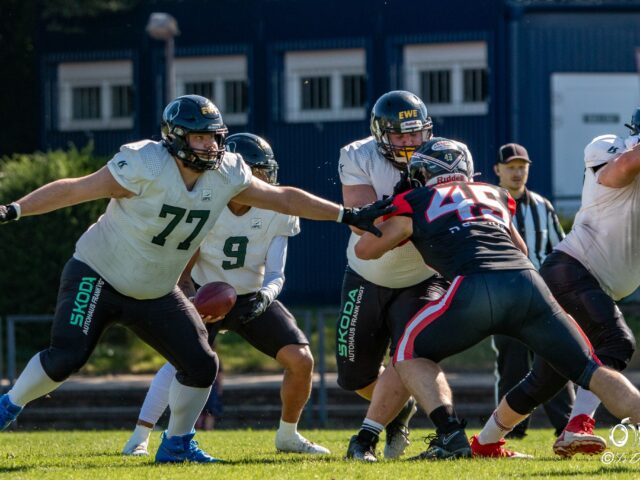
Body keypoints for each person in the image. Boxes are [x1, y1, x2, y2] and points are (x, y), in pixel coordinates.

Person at [0, 95, 392, 463]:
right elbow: (75, 189)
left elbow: (284, 198)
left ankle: (176, 444)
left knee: (202, 365)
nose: (209, 145)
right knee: (66, 358)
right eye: (199, 137)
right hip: (100, 273)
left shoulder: (227, 172)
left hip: (155, 289)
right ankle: (8, 407)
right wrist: (15, 209)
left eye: (214, 137)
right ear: (175, 138)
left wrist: (345, 214)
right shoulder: (145, 164)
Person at [354, 137, 640, 461]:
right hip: (527, 282)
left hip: (474, 285)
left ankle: (450, 434)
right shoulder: (495, 194)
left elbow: (365, 251)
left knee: (408, 352)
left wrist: (380, 219)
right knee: (591, 370)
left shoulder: (416, 199)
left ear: (425, 172)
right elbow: (521, 249)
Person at [122, 132, 329, 456]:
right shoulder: (207, 203)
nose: (263, 181)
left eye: (265, 174)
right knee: (181, 361)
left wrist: (265, 297)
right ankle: (140, 437)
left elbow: (276, 274)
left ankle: (288, 436)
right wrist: (191, 300)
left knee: (301, 360)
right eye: (257, 173)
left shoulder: (278, 209)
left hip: (252, 296)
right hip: (206, 292)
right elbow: (182, 271)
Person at [474, 112, 640, 459]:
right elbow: (622, 168)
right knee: (615, 342)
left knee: (546, 378)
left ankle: (486, 442)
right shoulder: (610, 150)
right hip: (573, 271)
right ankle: (578, 424)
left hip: (591, 282)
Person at [338, 90, 450, 462]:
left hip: (423, 276)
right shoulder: (358, 154)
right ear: (380, 134)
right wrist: (410, 201)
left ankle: (437, 431)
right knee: (355, 377)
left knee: (411, 355)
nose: (410, 142)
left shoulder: (445, 154)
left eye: (416, 133)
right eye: (400, 135)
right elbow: (362, 223)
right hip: (366, 274)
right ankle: (400, 410)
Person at [491, 142, 574, 439]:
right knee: (511, 365)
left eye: (522, 167)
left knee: (556, 357)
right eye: (511, 167)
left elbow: (560, 250)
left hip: (542, 296)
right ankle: (508, 430)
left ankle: (567, 426)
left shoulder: (542, 206)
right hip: (504, 298)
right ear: (497, 170)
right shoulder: (487, 205)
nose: (517, 173)